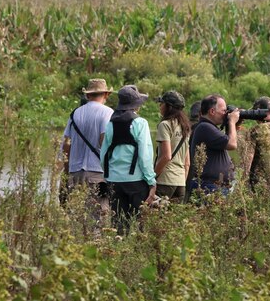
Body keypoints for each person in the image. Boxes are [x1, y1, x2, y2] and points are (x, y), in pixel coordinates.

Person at [100, 85, 156, 234]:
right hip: (136, 181)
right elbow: (145, 156)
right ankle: (137, 254)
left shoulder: (111, 124)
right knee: (140, 226)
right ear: (136, 105)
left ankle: (117, 252)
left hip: (115, 181)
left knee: (119, 224)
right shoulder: (140, 123)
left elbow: (103, 154)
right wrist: (151, 181)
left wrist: (108, 175)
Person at [61, 78, 113, 214]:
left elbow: (66, 145)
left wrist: (67, 172)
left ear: (88, 95)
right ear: (106, 95)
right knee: (98, 217)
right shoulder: (108, 113)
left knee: (77, 218)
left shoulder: (74, 114)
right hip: (97, 173)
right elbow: (104, 142)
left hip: (75, 172)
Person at [187, 94, 240, 196]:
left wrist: (232, 123)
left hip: (215, 186)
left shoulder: (210, 127)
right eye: (224, 111)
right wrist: (232, 122)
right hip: (208, 187)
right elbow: (232, 144)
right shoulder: (205, 127)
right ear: (212, 111)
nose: (225, 114)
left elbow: (227, 140)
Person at [154, 90, 191, 202]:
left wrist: (152, 177)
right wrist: (181, 181)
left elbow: (166, 156)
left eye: (162, 103)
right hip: (180, 182)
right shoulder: (185, 126)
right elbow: (187, 162)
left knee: (157, 217)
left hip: (165, 180)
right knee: (175, 218)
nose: (160, 106)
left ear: (168, 107)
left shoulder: (165, 125)